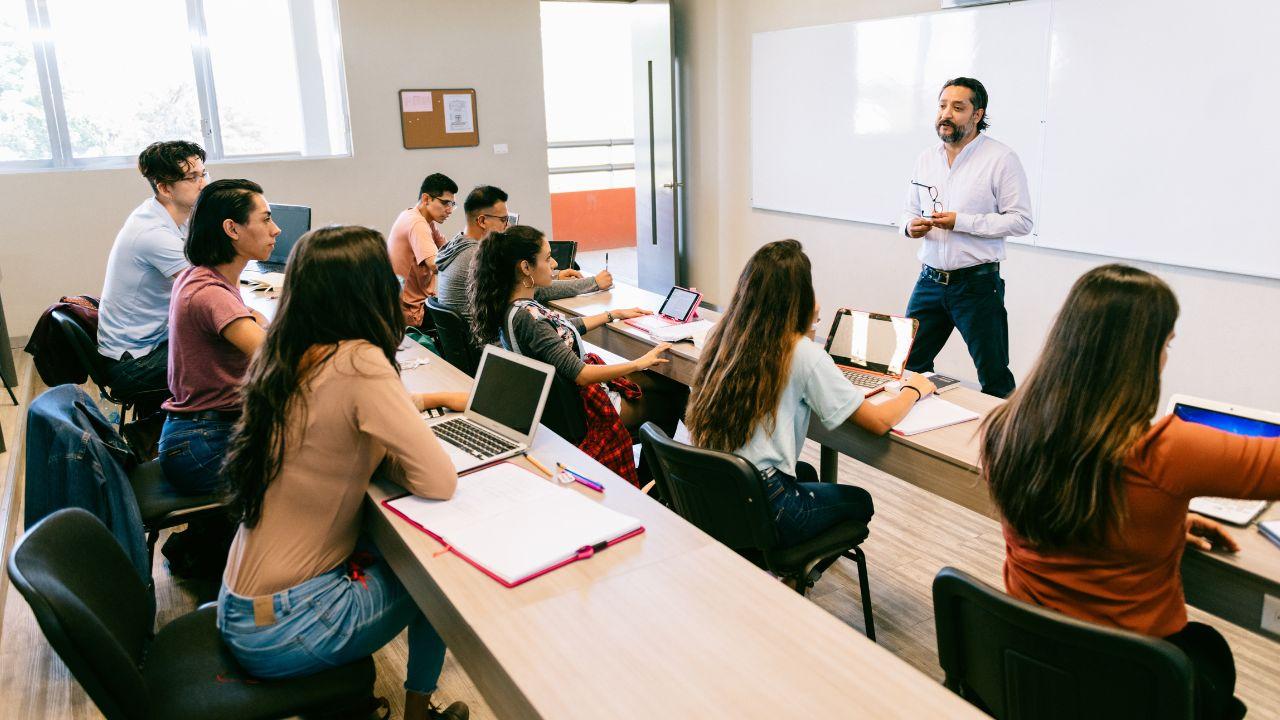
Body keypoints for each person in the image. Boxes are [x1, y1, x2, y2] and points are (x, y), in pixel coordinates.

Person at [982, 264, 1280, 720]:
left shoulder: (1006, 428)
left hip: (1030, 668)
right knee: (1208, 651)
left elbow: (1076, 504)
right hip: (1127, 689)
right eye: (1165, 345)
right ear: (1141, 355)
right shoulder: (1167, 451)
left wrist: (1159, 520)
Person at [218, 226, 469, 720]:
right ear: (371, 290)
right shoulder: (360, 360)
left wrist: (400, 424)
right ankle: (418, 713)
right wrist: (394, 448)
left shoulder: (286, 352)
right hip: (287, 625)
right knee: (438, 574)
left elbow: (339, 421)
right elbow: (439, 481)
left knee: (394, 546)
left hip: (242, 606)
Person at [685, 239, 935, 547]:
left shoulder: (723, 334)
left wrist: (805, 325)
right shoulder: (801, 353)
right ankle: (787, 566)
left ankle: (777, 557)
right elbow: (879, 422)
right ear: (800, 296)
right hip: (764, 500)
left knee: (805, 473)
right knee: (859, 501)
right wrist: (913, 390)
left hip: (714, 486)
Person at [469, 225, 685, 485]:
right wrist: (639, 362)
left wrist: (612, 315)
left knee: (665, 385)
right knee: (674, 397)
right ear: (525, 267)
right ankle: (651, 482)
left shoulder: (514, 307)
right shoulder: (530, 319)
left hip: (562, 407)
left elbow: (560, 332)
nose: (554, 264)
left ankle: (651, 479)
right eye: (548, 258)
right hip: (585, 411)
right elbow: (582, 374)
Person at [900, 77, 1033, 398]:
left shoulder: (1001, 159)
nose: (946, 114)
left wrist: (961, 222)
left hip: (977, 286)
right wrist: (909, 226)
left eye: (958, 108)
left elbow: (1021, 221)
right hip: (929, 282)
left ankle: (1004, 432)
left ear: (977, 114)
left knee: (994, 376)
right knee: (907, 365)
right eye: (942, 106)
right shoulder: (926, 158)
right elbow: (908, 211)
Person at [159, 179, 274, 496]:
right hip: (204, 445)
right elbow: (277, 358)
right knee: (322, 464)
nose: (276, 230)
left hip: (197, 434)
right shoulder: (211, 293)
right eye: (266, 219)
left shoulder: (200, 276)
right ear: (232, 229)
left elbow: (254, 317)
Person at [98, 140, 209, 415]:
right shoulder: (153, 233)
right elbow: (206, 290)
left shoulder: (173, 215)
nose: (204, 183)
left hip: (154, 341)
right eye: (192, 177)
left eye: (204, 173)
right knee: (231, 357)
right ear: (165, 188)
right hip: (134, 364)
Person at [434, 185, 609, 320]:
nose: (508, 226)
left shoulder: (456, 245)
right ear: (482, 221)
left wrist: (554, 275)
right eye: (503, 220)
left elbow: (516, 281)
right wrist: (593, 282)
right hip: (490, 347)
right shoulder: (477, 258)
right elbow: (533, 290)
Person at [388, 173, 457, 328]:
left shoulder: (418, 217)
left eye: (452, 204)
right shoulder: (417, 223)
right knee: (465, 320)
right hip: (412, 313)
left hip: (409, 305)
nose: (450, 210)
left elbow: (448, 248)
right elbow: (436, 265)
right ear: (426, 199)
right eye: (446, 203)